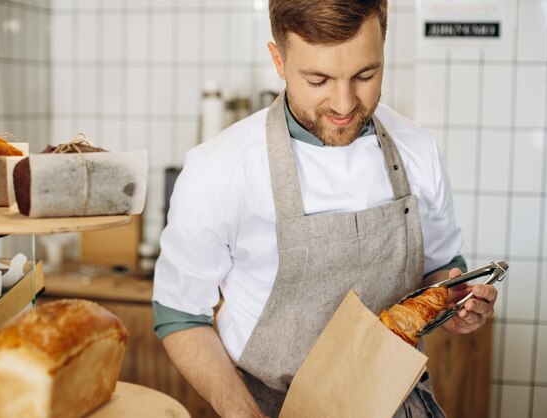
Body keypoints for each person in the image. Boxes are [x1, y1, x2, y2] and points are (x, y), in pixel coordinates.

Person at [153, 1, 498, 417]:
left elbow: (440, 269)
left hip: (397, 405)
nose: (344, 103)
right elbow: (181, 315)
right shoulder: (219, 168)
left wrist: (460, 301)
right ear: (278, 61)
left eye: (365, 75)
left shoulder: (417, 150)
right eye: (318, 79)